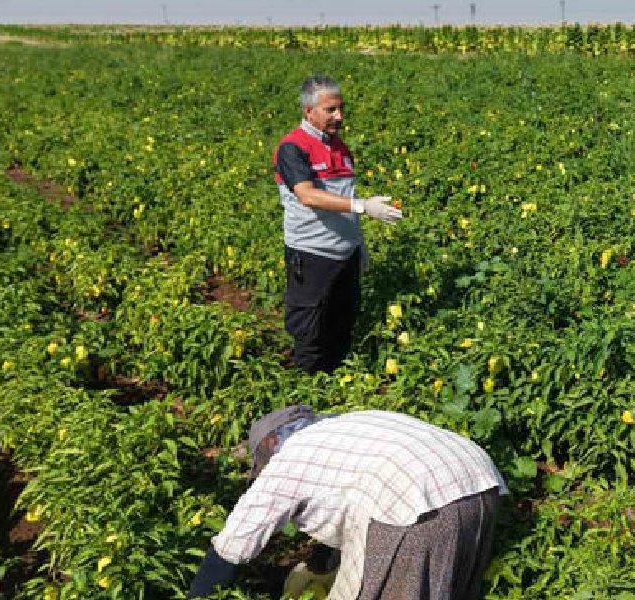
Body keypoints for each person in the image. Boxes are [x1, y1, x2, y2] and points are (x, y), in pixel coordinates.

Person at [187, 407, 507, 599]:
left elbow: (232, 545)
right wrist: (323, 560)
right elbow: (343, 496)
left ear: (271, 444)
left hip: (413, 502)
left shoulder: (289, 458)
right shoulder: (351, 426)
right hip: (480, 481)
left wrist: (199, 594)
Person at [274, 75, 403, 374]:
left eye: (341, 108)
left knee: (341, 326)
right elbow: (306, 195)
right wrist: (362, 207)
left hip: (346, 255)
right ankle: (307, 400)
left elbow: (345, 195)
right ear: (309, 111)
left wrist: (359, 244)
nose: (339, 116)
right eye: (330, 110)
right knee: (310, 333)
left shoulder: (341, 148)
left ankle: (335, 393)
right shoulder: (292, 148)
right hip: (312, 255)